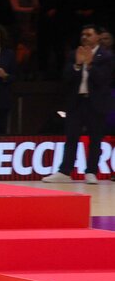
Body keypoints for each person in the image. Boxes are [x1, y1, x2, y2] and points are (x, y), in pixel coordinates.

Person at [43, 25, 112, 183]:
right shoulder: (74, 54)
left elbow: (103, 79)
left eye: (89, 34)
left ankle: (91, 172)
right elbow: (66, 77)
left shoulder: (106, 56)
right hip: (77, 102)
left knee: (95, 139)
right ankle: (65, 172)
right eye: (83, 34)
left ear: (98, 37)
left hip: (96, 103)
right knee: (71, 137)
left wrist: (90, 65)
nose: (85, 37)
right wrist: (78, 65)